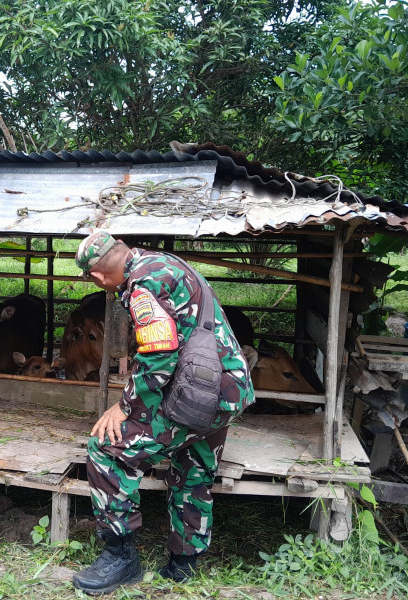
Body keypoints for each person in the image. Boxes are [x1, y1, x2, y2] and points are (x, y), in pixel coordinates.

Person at [72, 231, 255, 594]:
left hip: (195, 391)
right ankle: (183, 565)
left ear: (97, 276)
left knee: (107, 452)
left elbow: (159, 355)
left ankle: (120, 557)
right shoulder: (166, 264)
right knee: (192, 466)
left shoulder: (143, 285)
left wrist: (124, 407)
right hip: (222, 390)